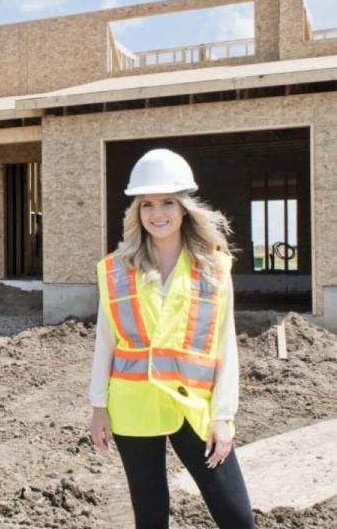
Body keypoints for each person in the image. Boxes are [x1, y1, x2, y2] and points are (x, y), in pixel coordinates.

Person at [88, 149, 255, 529]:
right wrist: (99, 405)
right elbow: (105, 342)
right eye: (147, 203)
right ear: (137, 210)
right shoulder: (116, 269)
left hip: (193, 407)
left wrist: (223, 416)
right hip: (134, 406)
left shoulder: (213, 268)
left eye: (167, 202)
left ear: (184, 209)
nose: (157, 213)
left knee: (237, 516)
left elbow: (226, 346)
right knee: (150, 516)